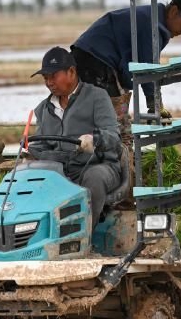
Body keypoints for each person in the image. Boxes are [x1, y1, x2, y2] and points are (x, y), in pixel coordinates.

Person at [70, 0, 181, 143]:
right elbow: (148, 70)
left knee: (112, 120)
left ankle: (110, 154)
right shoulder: (150, 24)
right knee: (113, 122)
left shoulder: (154, 21)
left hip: (95, 58)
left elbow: (145, 68)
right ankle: (109, 158)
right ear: (173, 11)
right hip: (94, 60)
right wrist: (155, 105)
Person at [27, 46, 122, 227]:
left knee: (94, 178)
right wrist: (32, 152)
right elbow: (42, 145)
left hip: (98, 166)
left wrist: (95, 140)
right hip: (60, 170)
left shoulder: (97, 97)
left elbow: (114, 137)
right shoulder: (43, 109)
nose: (49, 83)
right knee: (26, 177)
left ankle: (85, 235)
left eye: (53, 76)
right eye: (46, 78)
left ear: (71, 72)